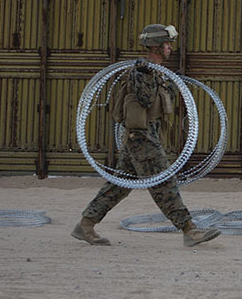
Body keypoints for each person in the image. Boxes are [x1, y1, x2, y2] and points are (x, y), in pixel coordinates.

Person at [72, 24, 221, 247]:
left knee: (119, 185)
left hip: (143, 138)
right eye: (167, 44)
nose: (170, 48)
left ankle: (85, 225)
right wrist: (145, 75)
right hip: (142, 140)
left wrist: (170, 81)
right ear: (155, 46)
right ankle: (189, 230)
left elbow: (163, 104)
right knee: (164, 183)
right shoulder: (140, 72)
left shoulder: (159, 73)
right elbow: (144, 100)